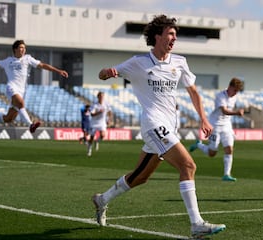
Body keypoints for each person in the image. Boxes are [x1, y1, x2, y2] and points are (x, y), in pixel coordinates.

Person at [92, 15, 226, 238]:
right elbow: (103, 73)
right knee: (188, 166)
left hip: (169, 127)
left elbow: (193, 92)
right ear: (157, 36)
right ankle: (197, 224)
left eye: (175, 34)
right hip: (153, 124)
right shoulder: (138, 62)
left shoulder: (179, 62)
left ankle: (102, 199)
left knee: (140, 177)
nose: (174, 38)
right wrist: (108, 72)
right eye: (170, 34)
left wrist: (203, 118)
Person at [0, 40, 69, 133]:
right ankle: (31, 125)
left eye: (24, 48)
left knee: (9, 118)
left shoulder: (27, 59)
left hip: (22, 91)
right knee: (21, 103)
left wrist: (58, 71)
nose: (23, 50)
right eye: (21, 47)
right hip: (11, 87)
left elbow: (42, 65)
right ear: (15, 49)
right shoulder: (8, 61)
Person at [189, 78, 244, 182]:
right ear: (230, 87)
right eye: (235, 90)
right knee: (212, 153)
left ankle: (226, 174)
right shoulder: (220, 96)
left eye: (237, 91)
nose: (235, 93)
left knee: (229, 149)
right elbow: (224, 111)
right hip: (215, 125)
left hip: (227, 126)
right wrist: (237, 113)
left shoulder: (234, 97)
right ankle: (198, 144)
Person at [87, 91, 112, 156]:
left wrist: (109, 119)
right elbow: (92, 114)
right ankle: (89, 150)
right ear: (98, 97)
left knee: (103, 135)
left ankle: (97, 141)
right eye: (100, 96)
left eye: (102, 96)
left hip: (102, 122)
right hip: (94, 122)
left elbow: (109, 112)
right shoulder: (94, 105)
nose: (101, 97)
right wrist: (99, 112)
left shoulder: (106, 104)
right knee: (91, 137)